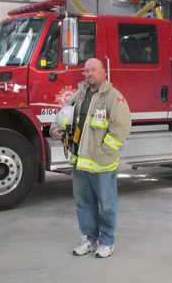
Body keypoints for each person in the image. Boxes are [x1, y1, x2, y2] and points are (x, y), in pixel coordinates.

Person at [51, 58, 131, 258]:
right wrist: (55, 129)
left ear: (103, 72)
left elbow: (121, 128)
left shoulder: (114, 97)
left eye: (93, 70)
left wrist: (104, 151)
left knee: (107, 205)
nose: (89, 74)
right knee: (83, 203)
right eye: (86, 71)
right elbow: (63, 115)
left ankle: (106, 242)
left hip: (102, 164)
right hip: (80, 162)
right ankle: (89, 239)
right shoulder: (79, 95)